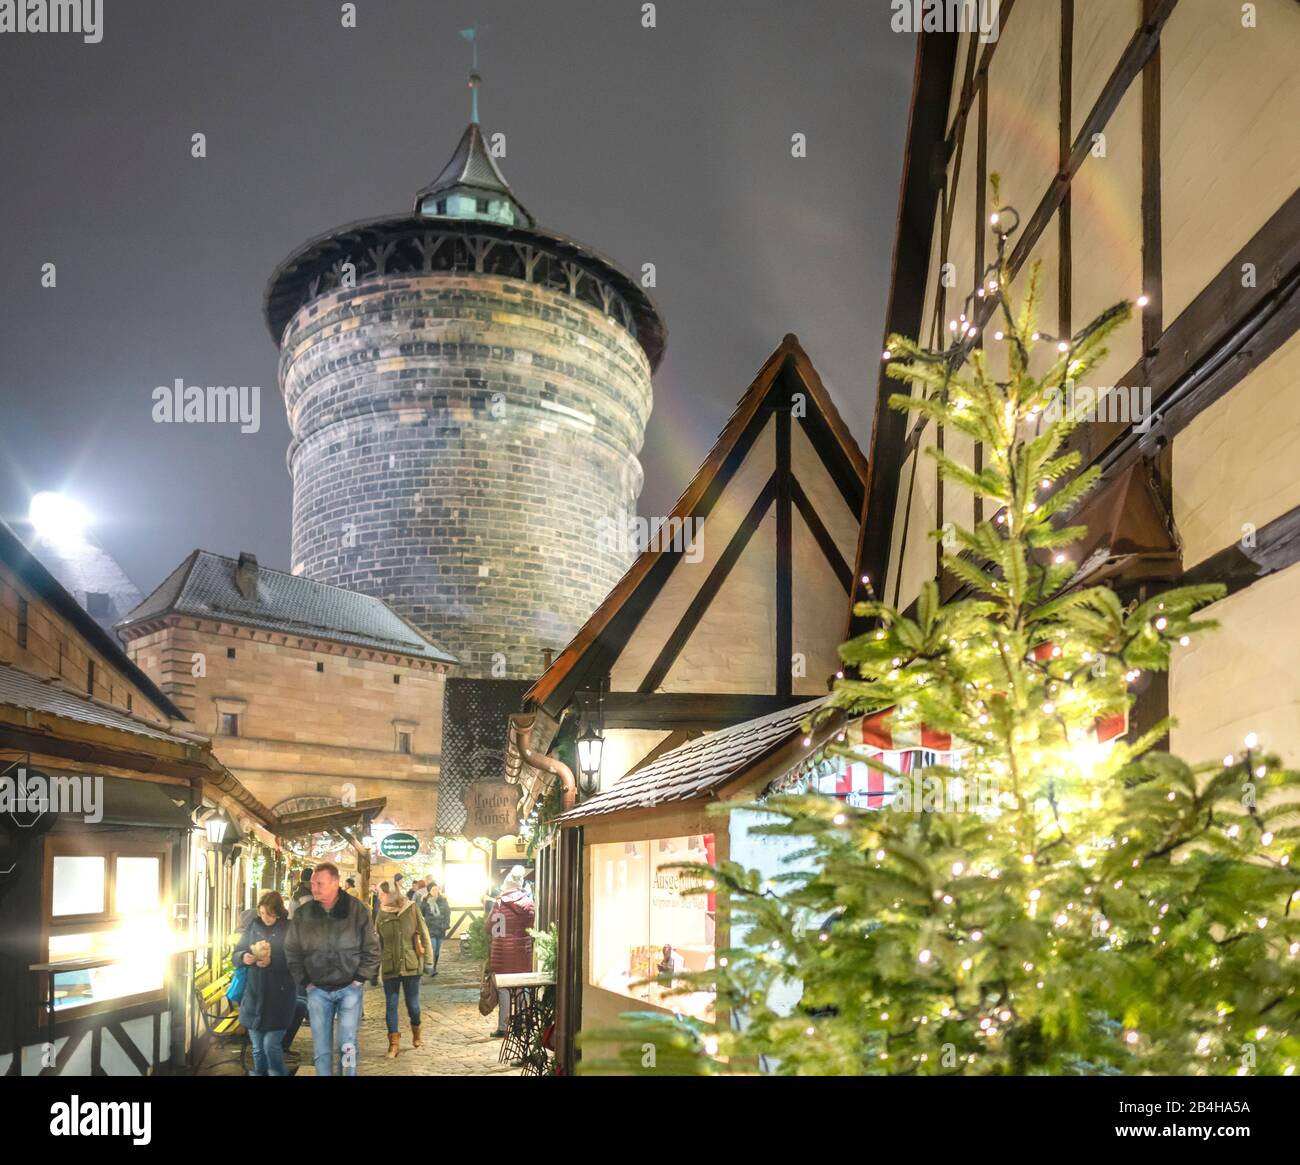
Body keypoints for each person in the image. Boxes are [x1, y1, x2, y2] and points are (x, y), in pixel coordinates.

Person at [285, 861, 381, 1076]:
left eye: (319, 883)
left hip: (349, 988)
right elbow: (291, 949)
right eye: (312, 883)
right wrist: (305, 981)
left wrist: (360, 978)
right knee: (321, 1047)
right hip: (317, 989)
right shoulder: (303, 913)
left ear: (335, 883)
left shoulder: (357, 910)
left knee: (348, 1043)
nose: (314, 888)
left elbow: (372, 948)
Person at [233, 891, 297, 1076]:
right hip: (254, 996)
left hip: (280, 997)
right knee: (258, 1048)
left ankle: (277, 1073)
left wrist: (273, 961)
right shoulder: (253, 925)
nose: (265, 918)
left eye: (269, 913)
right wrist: (243, 957)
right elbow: (237, 953)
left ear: (278, 911)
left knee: (270, 1045)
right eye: (261, 913)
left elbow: (296, 961)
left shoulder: (289, 928)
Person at [374, 880, 432, 1057]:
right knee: (391, 1005)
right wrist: (374, 968)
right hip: (390, 965)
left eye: (382, 894)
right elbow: (377, 943)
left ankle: (417, 1032)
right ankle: (393, 1044)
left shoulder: (411, 908)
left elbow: (424, 933)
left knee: (412, 1005)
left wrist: (429, 960)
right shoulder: (381, 914)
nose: (380, 897)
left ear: (391, 893)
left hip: (410, 964)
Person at [486, 865, 534, 1038]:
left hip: (502, 953)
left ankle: (503, 1026)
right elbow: (531, 927)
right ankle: (522, 1023)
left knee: (504, 989)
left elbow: (490, 927)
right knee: (522, 987)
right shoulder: (528, 903)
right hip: (523, 952)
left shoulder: (499, 903)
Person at [421, 881, 450, 976]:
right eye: (433, 889)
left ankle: (434, 967)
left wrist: (446, 924)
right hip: (430, 929)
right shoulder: (425, 902)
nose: (436, 891)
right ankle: (429, 967)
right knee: (432, 948)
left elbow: (447, 913)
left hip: (440, 929)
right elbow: (421, 914)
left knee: (437, 950)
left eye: (437, 889)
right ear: (429, 891)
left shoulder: (443, 900)